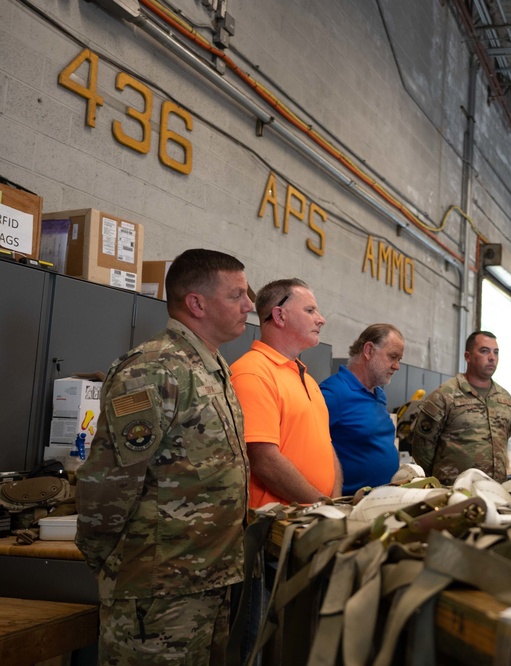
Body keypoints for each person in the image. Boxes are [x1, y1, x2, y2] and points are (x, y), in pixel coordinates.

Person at [75, 249, 254, 665]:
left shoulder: (211, 366)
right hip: (157, 590)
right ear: (197, 303)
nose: (249, 305)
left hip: (206, 580)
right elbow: (110, 481)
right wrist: (105, 559)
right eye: (237, 295)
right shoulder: (155, 367)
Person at [231, 278, 341, 507]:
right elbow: (264, 461)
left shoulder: (308, 380)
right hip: (276, 526)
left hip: (316, 517)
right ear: (279, 316)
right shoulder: (253, 372)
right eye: (310, 310)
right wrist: (323, 506)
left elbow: (326, 447)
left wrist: (335, 502)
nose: (321, 320)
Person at [410, 331, 511, 484]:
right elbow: (422, 449)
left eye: (496, 352)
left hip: (496, 492)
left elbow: (504, 439)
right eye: (484, 351)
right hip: (453, 493)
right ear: (468, 356)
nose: (492, 358)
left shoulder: (505, 400)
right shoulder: (445, 395)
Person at [319, 324, 404, 495]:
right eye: (392, 357)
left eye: (399, 360)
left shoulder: (379, 394)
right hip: (350, 504)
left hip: (382, 499)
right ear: (369, 351)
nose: (397, 366)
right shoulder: (333, 394)